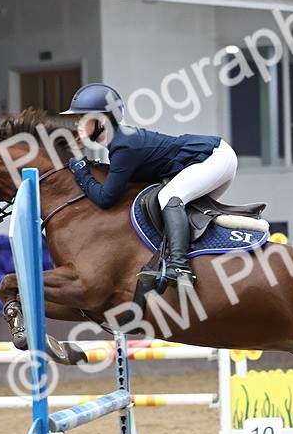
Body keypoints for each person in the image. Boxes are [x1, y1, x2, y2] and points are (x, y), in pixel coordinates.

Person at [62, 83, 238, 287]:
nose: (77, 124)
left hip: (215, 158)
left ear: (101, 120)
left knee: (169, 197)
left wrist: (82, 172)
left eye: (81, 118)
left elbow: (105, 198)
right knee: (178, 212)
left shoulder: (124, 145)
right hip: (211, 160)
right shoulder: (119, 142)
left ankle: (180, 267)